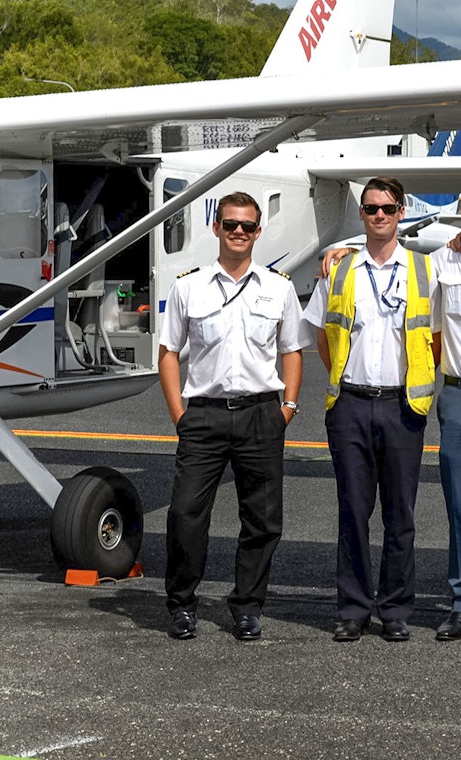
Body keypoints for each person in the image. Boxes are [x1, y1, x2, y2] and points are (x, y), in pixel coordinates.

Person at [158, 191, 305, 642]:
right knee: (185, 514)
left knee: (262, 521)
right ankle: (182, 605)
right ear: (216, 228)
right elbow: (168, 352)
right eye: (230, 224)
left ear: (258, 232)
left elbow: (292, 351)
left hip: (262, 414)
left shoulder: (278, 287)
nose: (238, 231)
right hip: (203, 417)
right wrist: (179, 415)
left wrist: (287, 409)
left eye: (246, 225)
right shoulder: (189, 286)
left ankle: (247, 606)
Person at [303, 177, 433, 643]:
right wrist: (348, 377)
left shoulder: (423, 271)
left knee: (401, 514)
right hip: (352, 404)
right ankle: (354, 609)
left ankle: (395, 608)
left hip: (402, 406)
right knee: (353, 512)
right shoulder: (339, 271)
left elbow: (434, 337)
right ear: (361, 214)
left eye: (388, 207)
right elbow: (322, 335)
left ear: (401, 213)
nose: (379, 215)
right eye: (371, 207)